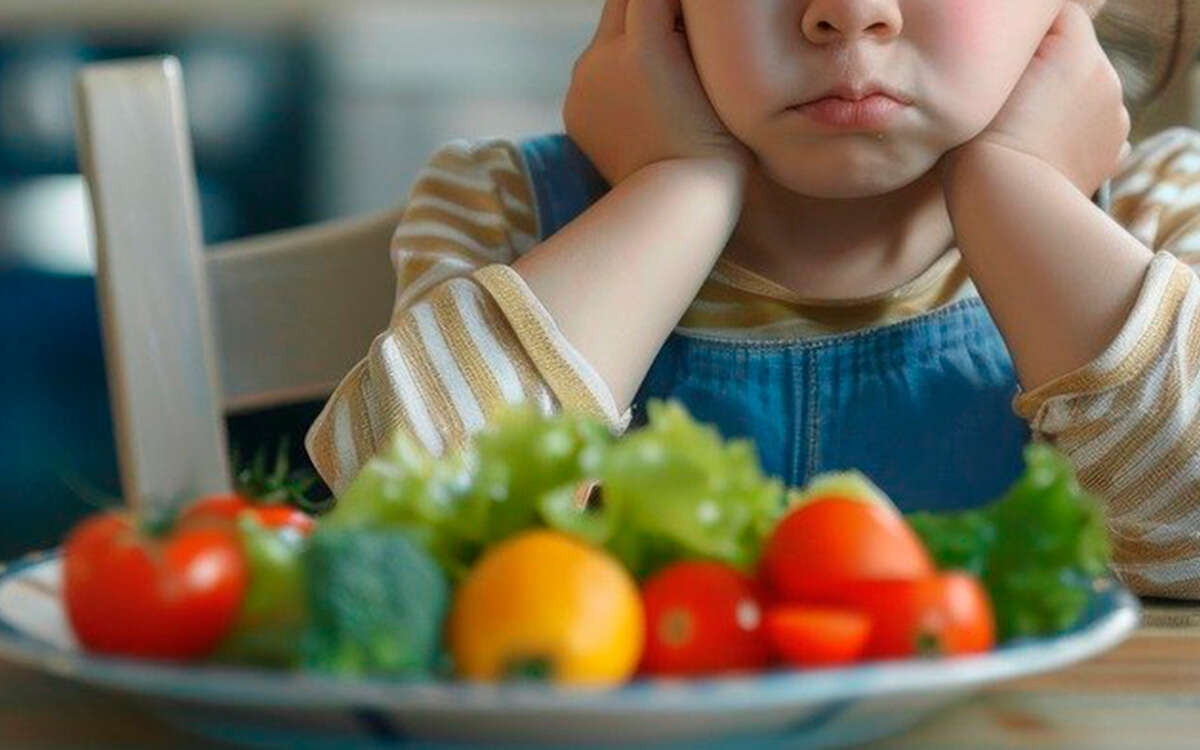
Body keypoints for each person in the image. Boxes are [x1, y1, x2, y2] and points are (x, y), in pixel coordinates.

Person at [306, 0, 1200, 599]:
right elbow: (400, 548)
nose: (850, 11)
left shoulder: (1154, 219)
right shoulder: (505, 209)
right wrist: (675, 191)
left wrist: (1020, 202)